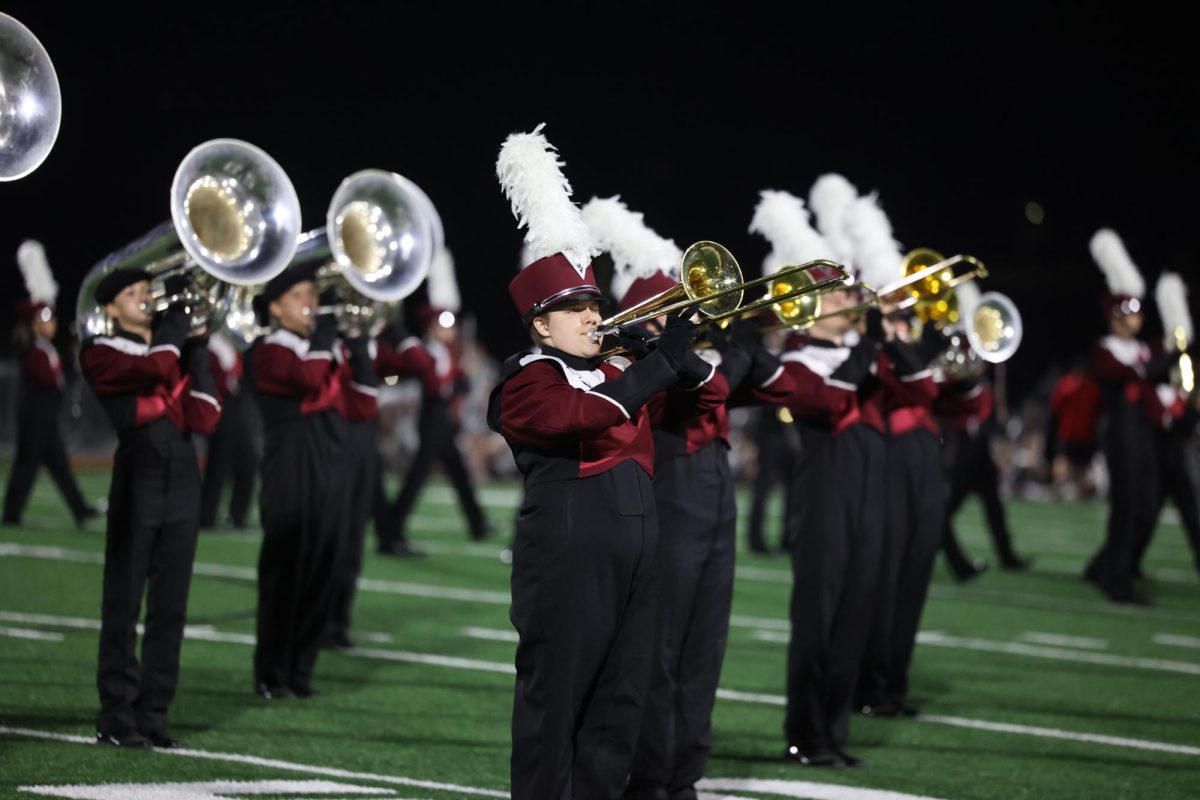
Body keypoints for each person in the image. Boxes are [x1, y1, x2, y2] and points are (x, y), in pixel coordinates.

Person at [491, 125, 728, 800]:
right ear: (540, 323)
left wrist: (681, 354)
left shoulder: (624, 362)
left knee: (620, 706)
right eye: (574, 309)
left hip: (638, 547)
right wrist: (655, 365)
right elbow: (585, 416)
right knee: (556, 702)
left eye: (595, 304)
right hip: (569, 546)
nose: (593, 316)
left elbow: (711, 393)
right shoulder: (527, 378)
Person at [580, 194, 786, 798]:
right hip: (671, 486)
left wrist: (750, 339)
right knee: (661, 649)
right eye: (675, 309)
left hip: (715, 488)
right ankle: (652, 777)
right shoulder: (635, 355)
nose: (691, 320)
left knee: (705, 648)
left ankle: (683, 775)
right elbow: (703, 388)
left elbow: (772, 391)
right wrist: (726, 350)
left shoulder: (699, 354)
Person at [80, 268, 221, 748]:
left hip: (184, 479)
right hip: (137, 477)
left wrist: (197, 347)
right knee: (123, 601)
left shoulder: (174, 351)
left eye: (147, 290)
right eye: (132, 293)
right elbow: (154, 370)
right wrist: (176, 333)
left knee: (171, 605)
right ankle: (116, 714)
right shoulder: (100, 352)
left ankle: (154, 712)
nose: (145, 297)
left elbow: (205, 415)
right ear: (111, 309)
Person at [249, 263, 354, 698]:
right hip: (288, 466)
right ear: (274, 307)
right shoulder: (268, 349)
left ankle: (300, 670)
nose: (310, 301)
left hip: (326, 462)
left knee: (323, 567)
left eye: (312, 292)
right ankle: (270, 671)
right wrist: (328, 334)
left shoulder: (321, 346)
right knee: (285, 571)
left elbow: (359, 390)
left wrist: (353, 338)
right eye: (297, 295)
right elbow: (308, 380)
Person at [1083, 230, 1167, 604]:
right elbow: (1120, 374)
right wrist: (1151, 363)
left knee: (1147, 506)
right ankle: (1116, 579)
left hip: (1143, 433)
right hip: (1120, 433)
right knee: (1126, 506)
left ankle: (1106, 565)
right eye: (1129, 311)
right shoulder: (1107, 349)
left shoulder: (1140, 351)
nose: (1137, 318)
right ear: (1115, 314)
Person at [380, 305, 492, 546]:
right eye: (444, 325)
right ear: (431, 327)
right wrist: (458, 385)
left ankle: (478, 524)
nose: (451, 330)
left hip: (442, 421)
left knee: (458, 473)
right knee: (419, 477)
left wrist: (461, 377)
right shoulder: (431, 350)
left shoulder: (444, 350)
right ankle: (391, 531)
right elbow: (436, 387)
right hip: (433, 420)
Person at [4, 241, 97, 527]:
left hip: (44, 416)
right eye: (45, 317)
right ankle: (10, 515)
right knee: (27, 465)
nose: (52, 322)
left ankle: (80, 510)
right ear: (34, 322)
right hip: (35, 415)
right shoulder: (31, 347)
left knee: (58, 466)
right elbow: (46, 379)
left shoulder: (45, 346)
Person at [940, 376, 1032, 580]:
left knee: (994, 508)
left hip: (980, 454)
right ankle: (954, 560)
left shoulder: (981, 382)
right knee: (940, 513)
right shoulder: (960, 382)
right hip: (962, 454)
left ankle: (1006, 556)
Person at [198, 331, 258, 530]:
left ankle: (238, 516)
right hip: (220, 406)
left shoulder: (231, 340)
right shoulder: (210, 343)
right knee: (218, 464)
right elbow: (216, 375)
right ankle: (206, 516)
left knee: (248, 461)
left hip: (235, 406)